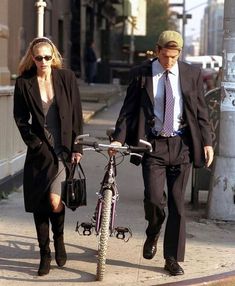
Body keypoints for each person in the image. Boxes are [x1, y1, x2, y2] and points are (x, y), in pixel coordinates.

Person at [109, 31, 214, 276]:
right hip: (152, 145)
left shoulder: (191, 74)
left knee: (177, 204)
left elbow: (201, 111)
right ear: (157, 51)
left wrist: (207, 142)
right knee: (154, 200)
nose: (169, 62)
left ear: (179, 54)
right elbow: (129, 110)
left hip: (181, 144)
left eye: (174, 57)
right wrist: (118, 139)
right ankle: (153, 229)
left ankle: (172, 258)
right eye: (165, 56)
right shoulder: (141, 74)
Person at [13, 37, 83, 276]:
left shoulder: (66, 78)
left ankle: (59, 239)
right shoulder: (24, 83)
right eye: (38, 57)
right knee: (39, 205)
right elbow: (20, 118)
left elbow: (76, 115)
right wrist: (33, 143)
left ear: (54, 56)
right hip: (39, 152)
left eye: (47, 57)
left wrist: (77, 147)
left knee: (55, 202)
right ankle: (45, 254)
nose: (43, 61)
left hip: (63, 150)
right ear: (32, 58)